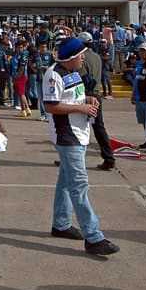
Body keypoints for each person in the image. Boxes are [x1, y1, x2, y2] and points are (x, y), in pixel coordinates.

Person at [42, 37, 118, 256]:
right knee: (79, 185)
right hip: (68, 136)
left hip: (79, 133)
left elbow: (73, 97)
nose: (84, 58)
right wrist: (81, 109)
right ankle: (93, 236)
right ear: (72, 57)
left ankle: (61, 224)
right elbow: (50, 106)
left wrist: (87, 99)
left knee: (66, 182)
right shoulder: (54, 75)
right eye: (81, 55)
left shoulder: (72, 73)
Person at [79, 32, 118, 171]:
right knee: (99, 128)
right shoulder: (96, 56)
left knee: (75, 127)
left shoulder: (81, 57)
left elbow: (82, 77)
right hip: (96, 93)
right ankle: (109, 158)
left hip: (85, 94)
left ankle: (71, 158)